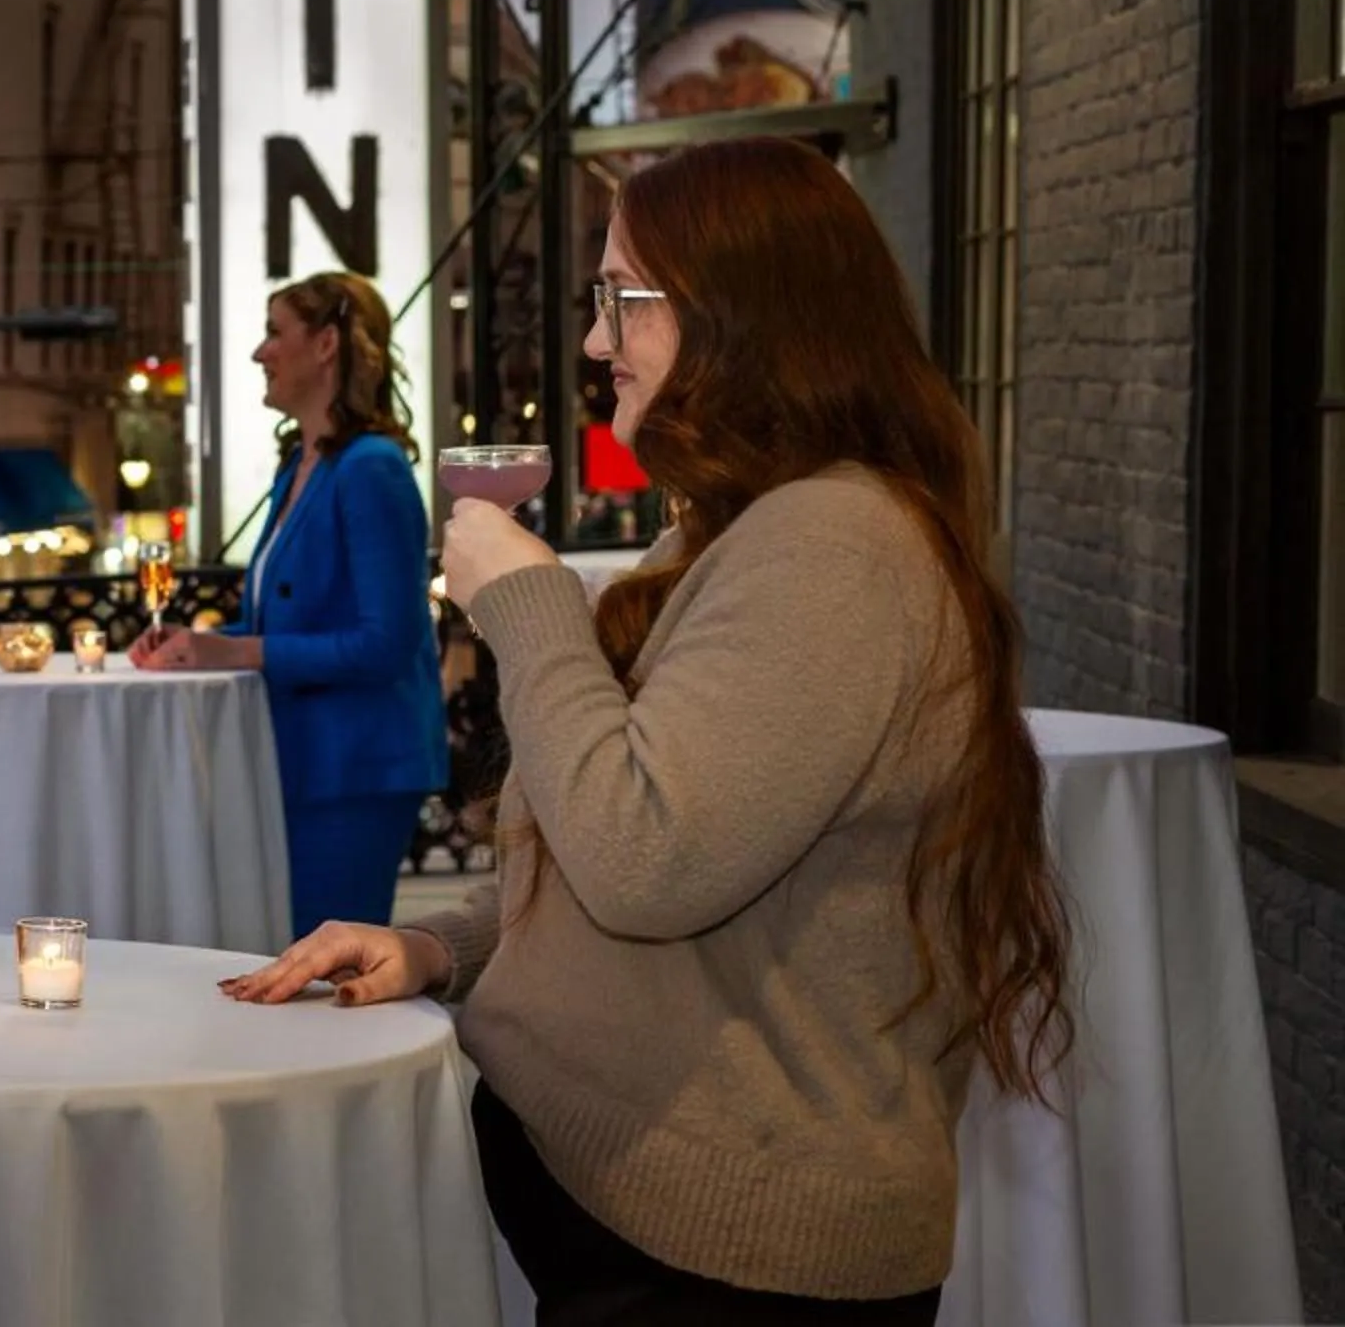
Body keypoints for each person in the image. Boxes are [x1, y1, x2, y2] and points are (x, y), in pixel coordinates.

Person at [221, 139, 1072, 1324]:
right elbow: (670, 826)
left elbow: (646, 860)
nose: (595, 341)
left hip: (735, 1254)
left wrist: (527, 603)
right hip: (667, 1235)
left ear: (741, 314)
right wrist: (447, 948)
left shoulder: (832, 548)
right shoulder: (758, 526)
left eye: (623, 298)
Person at [131, 271, 444, 933]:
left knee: (327, 972)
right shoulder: (301, 466)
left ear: (326, 344)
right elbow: (289, 625)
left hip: (353, 771)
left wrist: (237, 647)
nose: (259, 352)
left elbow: (386, 642)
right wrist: (194, 644)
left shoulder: (371, 468)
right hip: (303, 764)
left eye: (275, 333)